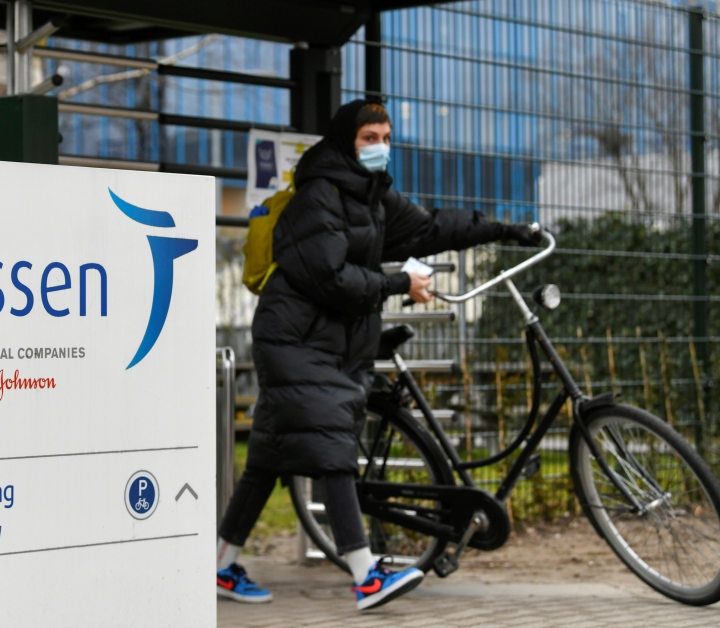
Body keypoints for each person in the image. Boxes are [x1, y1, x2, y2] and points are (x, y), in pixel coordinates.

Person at [216, 99, 540, 611]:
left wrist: (504, 231)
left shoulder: (372, 195)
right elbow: (329, 277)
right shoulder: (319, 195)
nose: (380, 148)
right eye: (369, 138)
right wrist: (399, 283)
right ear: (346, 141)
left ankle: (221, 564)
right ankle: (366, 575)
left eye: (386, 138)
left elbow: (432, 228)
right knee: (333, 446)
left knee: (267, 457)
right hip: (294, 338)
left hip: (329, 339)